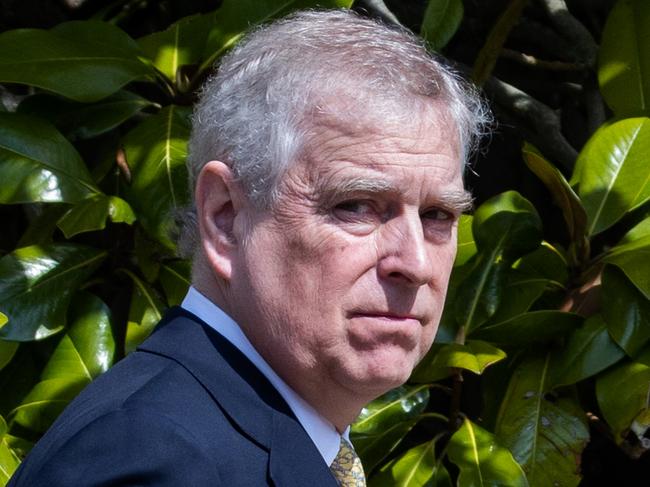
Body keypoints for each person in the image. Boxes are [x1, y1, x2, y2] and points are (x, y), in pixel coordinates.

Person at [8, 9, 488, 486]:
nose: (416, 263)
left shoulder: (239, 437)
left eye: (437, 215)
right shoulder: (154, 459)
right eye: (357, 206)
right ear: (226, 218)